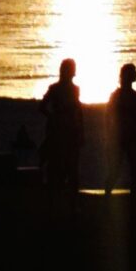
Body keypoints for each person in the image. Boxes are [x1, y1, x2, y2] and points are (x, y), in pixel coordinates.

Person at [40, 57, 84, 204]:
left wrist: (81, 130)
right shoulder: (56, 89)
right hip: (59, 133)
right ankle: (58, 203)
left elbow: (79, 111)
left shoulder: (72, 89)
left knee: (71, 170)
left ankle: (69, 204)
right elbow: (42, 107)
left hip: (70, 132)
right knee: (59, 169)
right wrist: (54, 117)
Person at [105, 62, 136, 197]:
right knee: (116, 170)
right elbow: (108, 115)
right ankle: (107, 196)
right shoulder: (118, 95)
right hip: (120, 136)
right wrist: (110, 133)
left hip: (130, 135)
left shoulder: (135, 95)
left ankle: (134, 200)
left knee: (135, 170)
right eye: (133, 72)